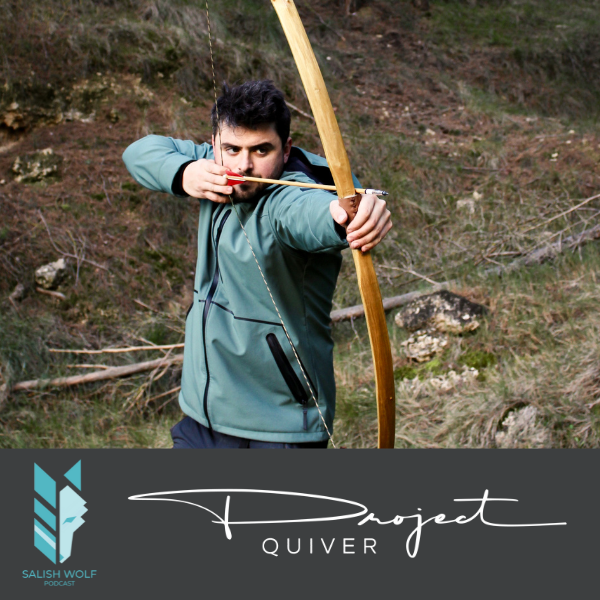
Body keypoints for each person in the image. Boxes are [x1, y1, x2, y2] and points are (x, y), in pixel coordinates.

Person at [122, 80, 392, 449]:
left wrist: (349, 216)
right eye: (231, 149)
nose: (243, 164)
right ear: (214, 145)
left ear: (286, 150)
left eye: (261, 150)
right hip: (204, 416)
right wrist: (186, 173)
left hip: (279, 427)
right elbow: (140, 152)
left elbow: (310, 215)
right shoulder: (214, 168)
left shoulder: (287, 197)